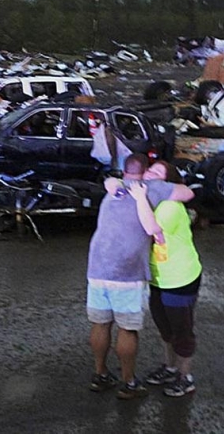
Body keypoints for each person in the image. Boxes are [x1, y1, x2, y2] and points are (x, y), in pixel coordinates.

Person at [86, 153, 194, 400]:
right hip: (126, 271)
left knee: (100, 323)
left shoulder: (113, 189)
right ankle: (129, 383)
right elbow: (188, 193)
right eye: (151, 170)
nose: (152, 175)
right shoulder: (152, 188)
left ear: (124, 171)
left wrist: (112, 181)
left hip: (97, 266)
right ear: (144, 172)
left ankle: (100, 375)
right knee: (127, 329)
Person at [129, 160, 202, 398]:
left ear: (168, 182)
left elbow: (150, 231)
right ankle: (170, 368)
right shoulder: (151, 200)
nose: (150, 174)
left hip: (180, 278)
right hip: (158, 278)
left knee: (182, 332)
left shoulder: (169, 206)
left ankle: (185, 377)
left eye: (158, 172)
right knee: (166, 329)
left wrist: (139, 199)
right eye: (150, 169)